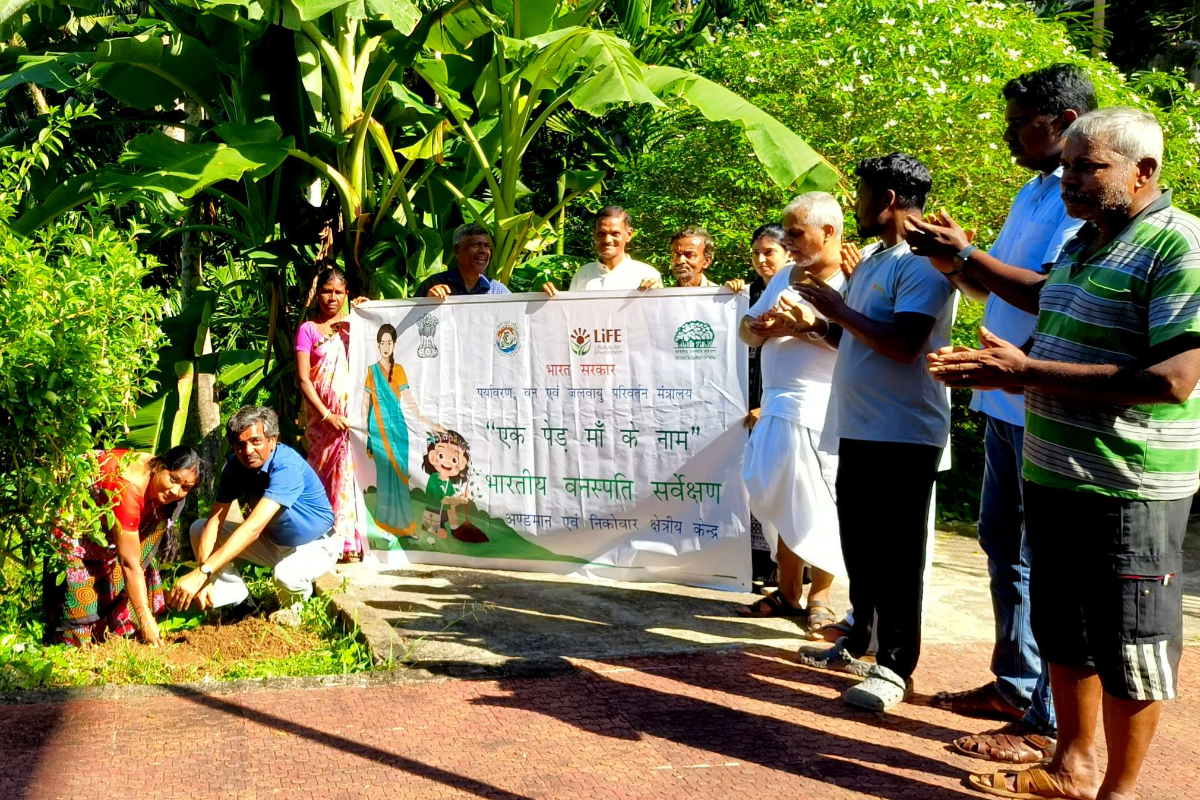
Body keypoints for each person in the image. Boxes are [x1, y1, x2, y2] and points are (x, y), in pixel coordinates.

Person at [925, 107, 1198, 800]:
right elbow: (1044, 295)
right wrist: (964, 257)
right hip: (1055, 473)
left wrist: (1024, 374)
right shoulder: (1085, 240)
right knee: (1066, 632)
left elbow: (1173, 381)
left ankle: (1119, 792)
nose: (1070, 179)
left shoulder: (1178, 247)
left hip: (1127, 487)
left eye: (1088, 166)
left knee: (1131, 647)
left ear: (1144, 171)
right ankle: (1072, 768)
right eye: (1069, 165)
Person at [905, 63, 1096, 767]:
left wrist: (970, 256)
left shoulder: (1081, 202)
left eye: (1019, 124)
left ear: (1064, 123)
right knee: (1002, 549)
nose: (1008, 136)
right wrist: (956, 263)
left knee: (1044, 565)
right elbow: (1001, 292)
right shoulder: (1032, 190)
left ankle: (1044, 719)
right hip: (1001, 400)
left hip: (1041, 400)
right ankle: (1016, 685)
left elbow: (1052, 292)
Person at [792, 152, 958, 711]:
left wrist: (839, 310)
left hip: (904, 431)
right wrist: (821, 320)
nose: (856, 205)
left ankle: (894, 667)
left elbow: (906, 343)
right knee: (860, 544)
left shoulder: (921, 263)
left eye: (861, 195)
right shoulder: (873, 262)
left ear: (887, 200)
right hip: (860, 425)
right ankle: (860, 638)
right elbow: (857, 340)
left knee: (897, 554)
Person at [736, 194, 849, 637]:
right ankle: (787, 591)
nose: (790, 242)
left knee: (819, 505)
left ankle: (819, 596)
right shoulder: (784, 274)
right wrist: (761, 328)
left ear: (828, 232)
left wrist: (807, 328)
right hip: (779, 404)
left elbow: (857, 342)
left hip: (821, 407)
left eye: (797, 234)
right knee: (781, 496)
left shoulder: (849, 281)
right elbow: (746, 330)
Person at [171, 407, 341, 628]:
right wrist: (205, 577)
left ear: (273, 440)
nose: (248, 450)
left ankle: (298, 612)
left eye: (256, 441)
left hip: (316, 544)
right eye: (240, 444)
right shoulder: (235, 466)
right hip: (274, 543)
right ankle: (240, 603)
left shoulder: (286, 467)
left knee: (285, 576)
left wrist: (202, 571)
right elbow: (214, 522)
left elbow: (253, 528)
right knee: (199, 528)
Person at [53, 446, 205, 647]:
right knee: (88, 578)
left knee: (132, 559)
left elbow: (136, 555)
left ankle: (120, 628)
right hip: (81, 520)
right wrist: (145, 618)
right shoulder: (129, 489)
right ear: (159, 465)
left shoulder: (161, 487)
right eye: (173, 479)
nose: (176, 491)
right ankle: (80, 641)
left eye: (185, 488)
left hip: (115, 523)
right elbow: (129, 563)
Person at [296, 267, 365, 562]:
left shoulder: (357, 327)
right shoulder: (308, 330)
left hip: (352, 422)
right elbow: (304, 380)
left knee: (349, 478)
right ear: (318, 294)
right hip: (322, 423)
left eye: (339, 292)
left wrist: (366, 314)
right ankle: (322, 538)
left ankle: (347, 542)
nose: (332, 298)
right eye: (327, 291)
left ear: (346, 294)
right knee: (322, 477)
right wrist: (326, 416)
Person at [363, 324, 443, 541]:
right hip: (377, 429)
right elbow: (365, 404)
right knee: (384, 476)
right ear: (378, 345)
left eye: (389, 342)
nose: (386, 346)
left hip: (398, 429)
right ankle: (383, 524)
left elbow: (410, 404)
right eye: (382, 342)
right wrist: (365, 433)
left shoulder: (398, 371)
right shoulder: (371, 371)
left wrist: (430, 423)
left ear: (395, 344)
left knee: (400, 478)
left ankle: (405, 526)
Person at [566, 206, 663, 291]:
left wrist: (656, 294)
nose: (607, 240)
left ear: (629, 234)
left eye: (615, 234)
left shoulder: (648, 275)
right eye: (601, 234)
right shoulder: (582, 275)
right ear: (594, 234)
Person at [416, 224, 511, 298]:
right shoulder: (433, 284)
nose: (483, 251)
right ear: (457, 250)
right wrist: (428, 301)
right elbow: (412, 319)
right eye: (476, 245)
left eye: (487, 246)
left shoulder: (498, 292)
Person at [420, 430, 472, 539]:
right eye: (441, 456)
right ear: (433, 456)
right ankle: (428, 526)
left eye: (454, 460)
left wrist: (461, 498)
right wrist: (456, 500)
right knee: (442, 535)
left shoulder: (448, 482)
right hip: (433, 512)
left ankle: (454, 530)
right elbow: (444, 499)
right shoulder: (434, 478)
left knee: (451, 509)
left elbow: (451, 499)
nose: (447, 463)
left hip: (443, 512)